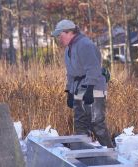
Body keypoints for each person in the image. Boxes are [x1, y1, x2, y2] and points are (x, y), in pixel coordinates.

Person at [52, 19, 113, 148]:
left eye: (60, 35)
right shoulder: (68, 49)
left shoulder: (85, 44)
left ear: (69, 32)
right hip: (78, 89)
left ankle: (112, 155)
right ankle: (85, 155)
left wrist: (90, 89)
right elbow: (70, 73)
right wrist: (69, 92)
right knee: (80, 125)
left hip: (94, 88)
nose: (59, 38)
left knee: (97, 124)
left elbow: (93, 68)